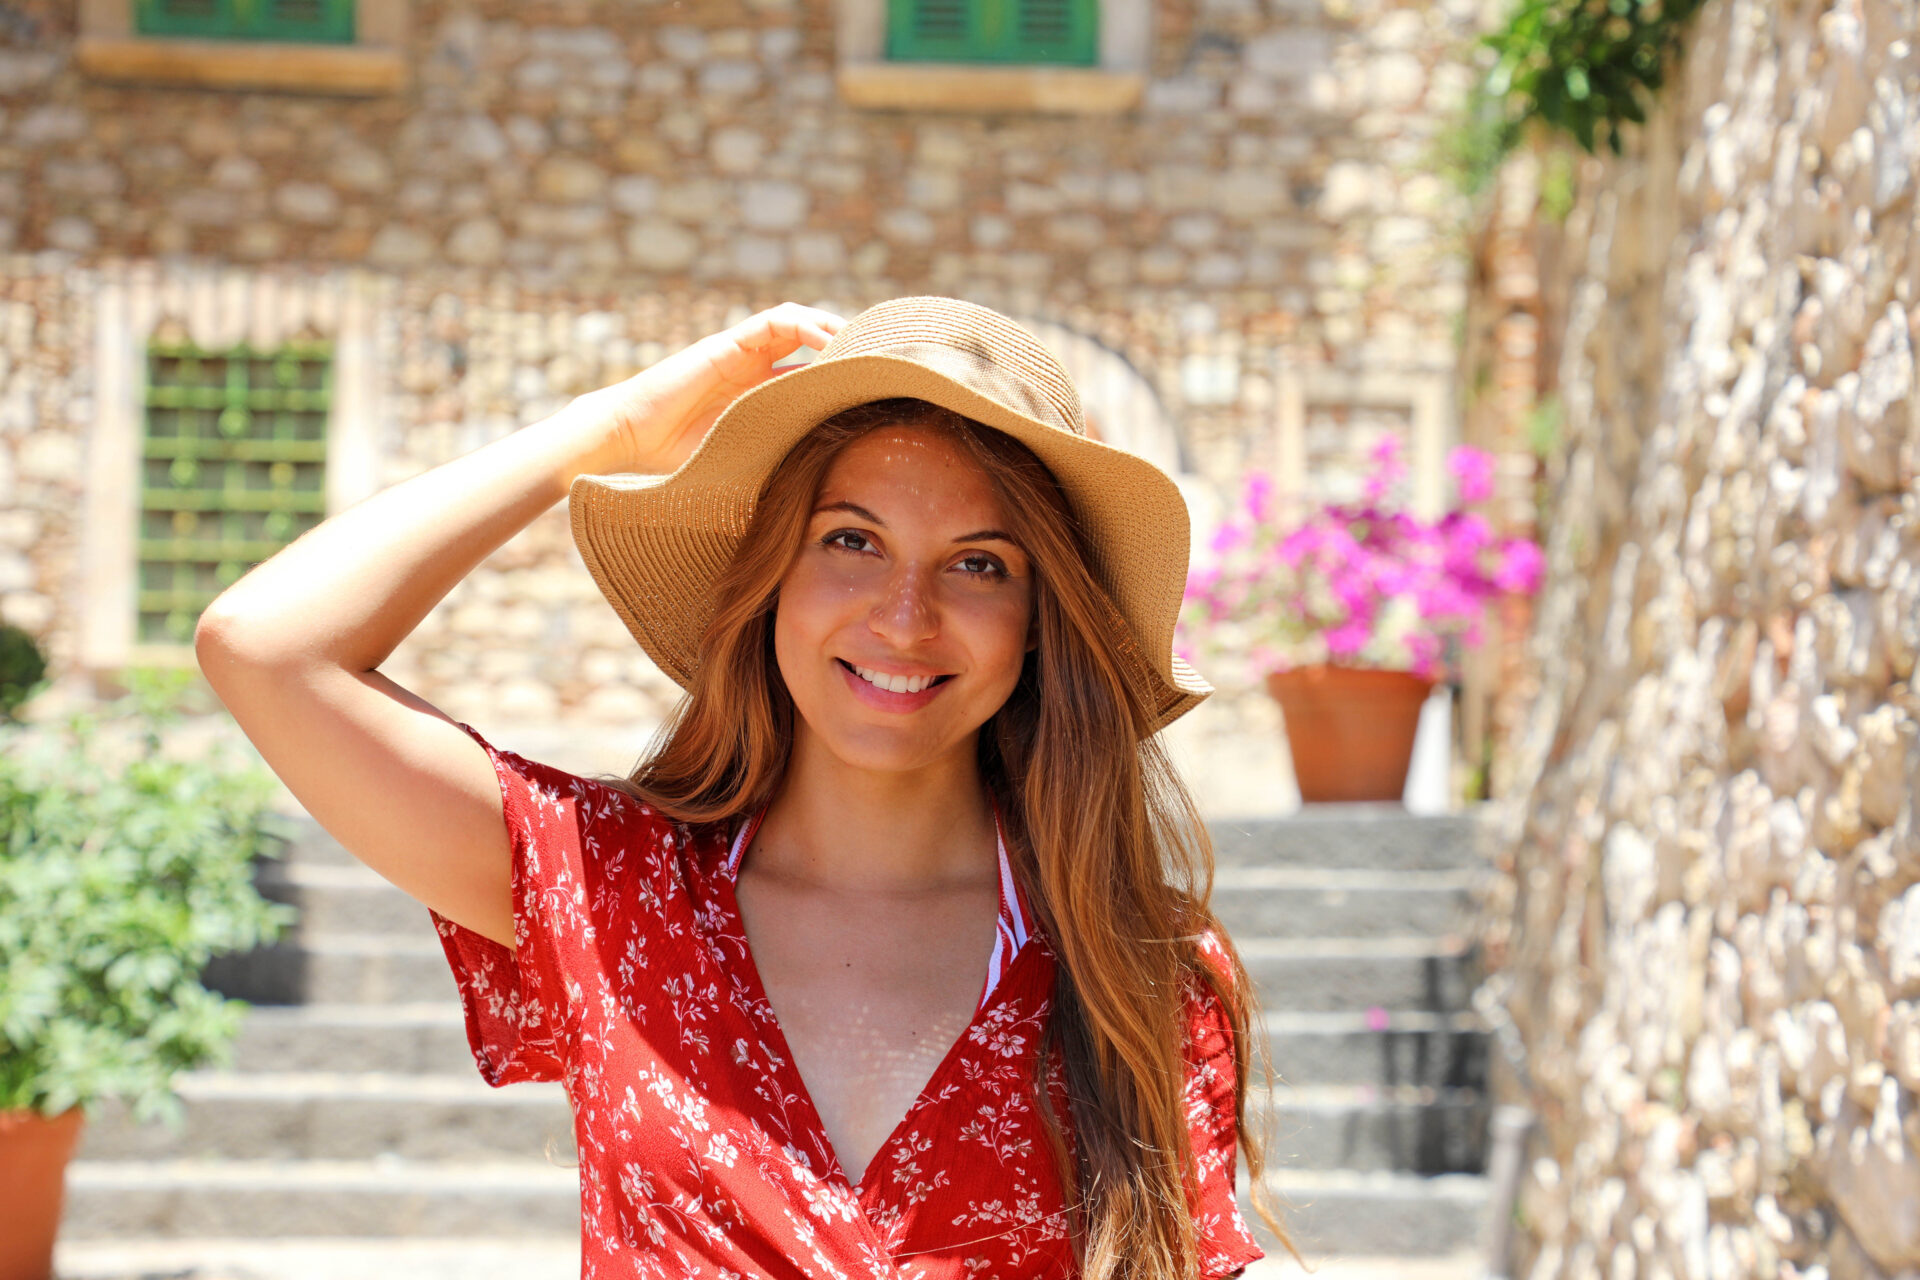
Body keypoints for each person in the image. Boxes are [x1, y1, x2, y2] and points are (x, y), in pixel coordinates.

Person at [196, 296, 1300, 1279]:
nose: (904, 614)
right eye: (851, 539)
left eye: (979, 562)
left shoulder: (1142, 971)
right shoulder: (611, 892)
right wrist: (615, 432)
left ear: (1038, 624)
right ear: (771, 578)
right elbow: (265, 647)